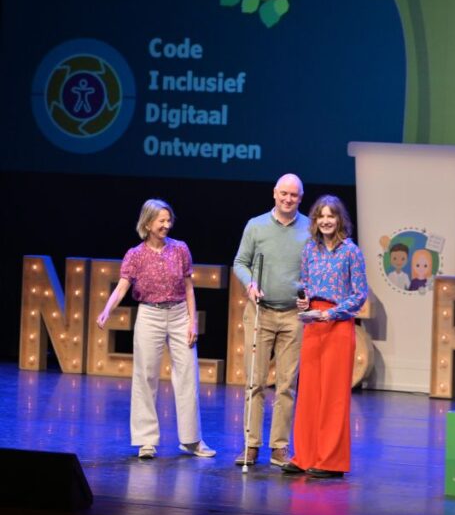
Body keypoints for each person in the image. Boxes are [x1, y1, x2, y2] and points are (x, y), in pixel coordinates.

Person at [97, 199, 214, 460]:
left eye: (168, 219)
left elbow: (188, 287)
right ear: (147, 223)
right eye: (161, 220)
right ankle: (146, 441)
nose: (166, 224)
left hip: (179, 313)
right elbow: (122, 287)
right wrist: (107, 309)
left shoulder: (180, 249)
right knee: (145, 375)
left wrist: (192, 320)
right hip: (149, 314)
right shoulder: (135, 254)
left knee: (187, 375)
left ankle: (192, 440)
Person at [282, 194, 368, 479]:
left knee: (332, 395)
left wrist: (331, 314)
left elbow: (359, 295)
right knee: (308, 392)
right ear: (315, 220)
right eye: (321, 216)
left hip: (338, 324)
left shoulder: (351, 251)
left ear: (339, 219)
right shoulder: (310, 249)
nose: (326, 221)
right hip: (312, 322)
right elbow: (305, 284)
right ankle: (304, 455)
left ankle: (330, 460)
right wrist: (304, 302)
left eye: (331, 215)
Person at [232, 173, 308, 467]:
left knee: (287, 384)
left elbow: (314, 269)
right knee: (255, 382)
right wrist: (250, 284)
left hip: (294, 316)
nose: (288, 199)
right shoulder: (256, 225)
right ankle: (251, 445)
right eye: (284, 194)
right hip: (260, 312)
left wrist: (309, 295)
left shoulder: (308, 229)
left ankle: (279, 447)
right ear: (274, 193)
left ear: (300, 198)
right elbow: (240, 262)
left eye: (294, 196)